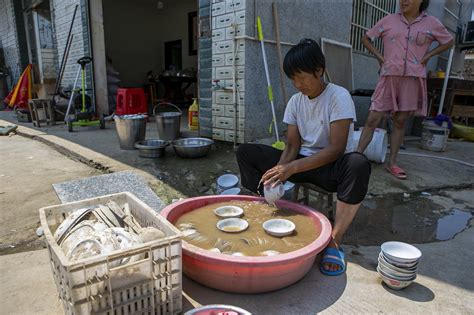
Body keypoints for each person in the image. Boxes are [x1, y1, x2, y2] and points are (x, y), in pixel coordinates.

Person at [236, 39, 371, 276]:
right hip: (301, 162)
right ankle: (264, 205)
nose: (298, 84)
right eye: (293, 79)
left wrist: (291, 168)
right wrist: (278, 171)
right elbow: (292, 145)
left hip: (331, 168)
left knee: (358, 164)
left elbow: (337, 148)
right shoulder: (296, 101)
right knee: (246, 152)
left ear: (319, 71)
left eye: (302, 77)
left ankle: (334, 241)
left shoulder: (338, 96)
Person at [357, 0, 454, 179]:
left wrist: (429, 55)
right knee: (373, 118)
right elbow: (366, 38)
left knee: (400, 121)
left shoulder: (431, 23)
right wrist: (380, 57)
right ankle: (355, 159)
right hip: (389, 77)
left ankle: (392, 163)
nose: (404, 1)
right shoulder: (389, 20)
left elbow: (449, 41)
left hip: (412, 77)